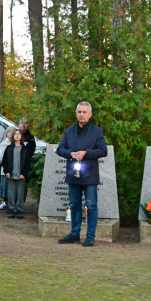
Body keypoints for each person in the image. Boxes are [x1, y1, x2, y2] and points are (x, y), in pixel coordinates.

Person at [56, 101, 107, 247]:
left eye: (84, 112)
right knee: (74, 205)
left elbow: (103, 151)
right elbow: (60, 149)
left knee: (91, 205)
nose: (81, 115)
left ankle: (90, 236)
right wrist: (70, 154)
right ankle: (74, 233)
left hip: (89, 175)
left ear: (90, 115)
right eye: (79, 112)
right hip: (73, 173)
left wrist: (86, 153)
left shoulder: (96, 131)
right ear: (76, 113)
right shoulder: (69, 131)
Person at [2, 128, 32, 219]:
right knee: (11, 193)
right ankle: (11, 209)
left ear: (21, 136)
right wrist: (6, 171)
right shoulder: (9, 148)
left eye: (19, 134)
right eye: (15, 134)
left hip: (21, 175)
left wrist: (24, 173)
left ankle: (19, 209)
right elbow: (5, 161)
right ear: (13, 136)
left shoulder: (25, 149)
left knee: (20, 193)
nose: (17, 136)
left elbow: (28, 163)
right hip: (11, 174)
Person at [0, 126, 16, 210]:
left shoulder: (18, 143)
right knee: (5, 185)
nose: (10, 133)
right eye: (9, 132)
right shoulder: (3, 143)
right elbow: (1, 156)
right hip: (5, 168)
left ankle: (12, 202)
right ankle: (5, 201)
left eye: (12, 132)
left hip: (15, 168)